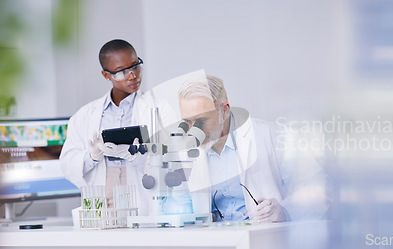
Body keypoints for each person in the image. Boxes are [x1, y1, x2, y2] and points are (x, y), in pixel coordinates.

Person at [178, 75, 331, 222]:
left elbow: (319, 187)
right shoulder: (186, 151)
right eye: (187, 122)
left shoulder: (271, 135)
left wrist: (285, 211)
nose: (193, 130)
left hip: (264, 239)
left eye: (201, 120)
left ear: (224, 110)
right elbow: (178, 201)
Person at [60, 39, 175, 214]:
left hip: (143, 195)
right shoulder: (85, 115)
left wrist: (135, 155)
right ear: (106, 75)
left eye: (135, 66)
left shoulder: (159, 109)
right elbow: (68, 164)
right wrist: (92, 156)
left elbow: (173, 160)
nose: (132, 75)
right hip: (103, 195)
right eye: (122, 71)